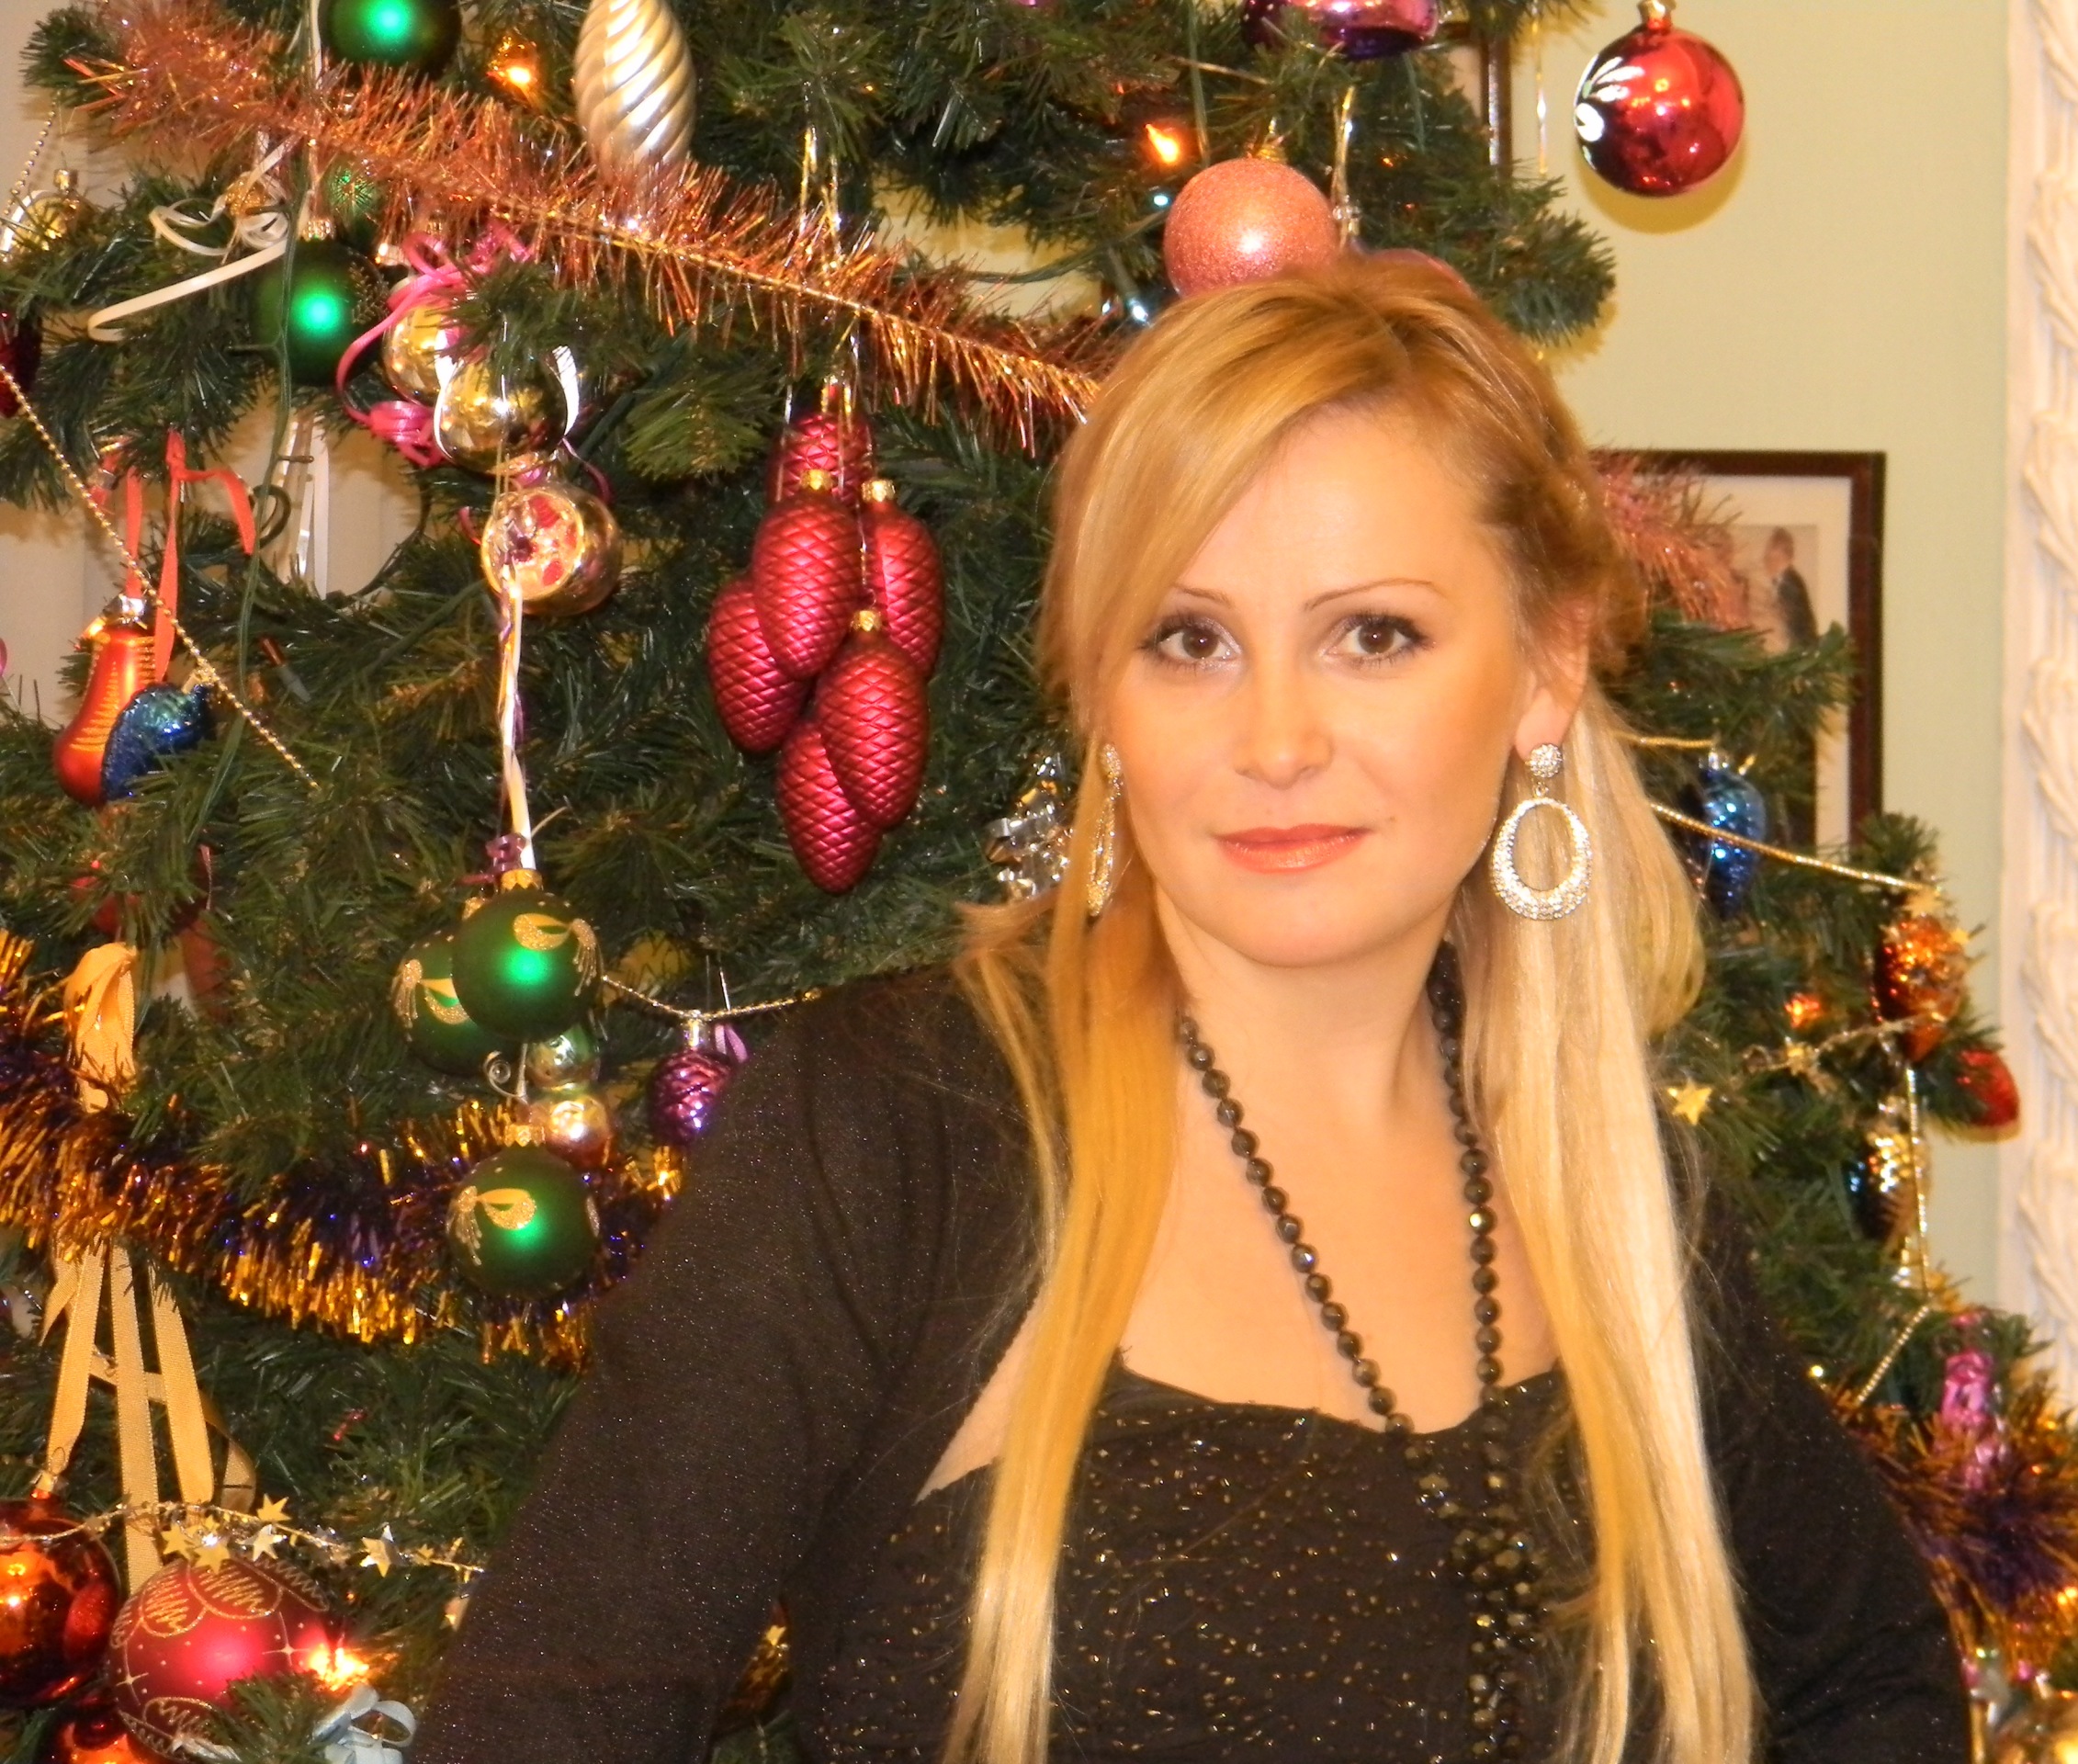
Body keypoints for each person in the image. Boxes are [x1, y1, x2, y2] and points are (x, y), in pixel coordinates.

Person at [412, 258, 1966, 1764]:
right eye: (1190, 640)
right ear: (1105, 693)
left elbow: (1877, 1687)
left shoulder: (1620, 1193)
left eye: (1374, 636)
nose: (1277, 742)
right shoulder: (897, 1130)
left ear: (1545, 665)